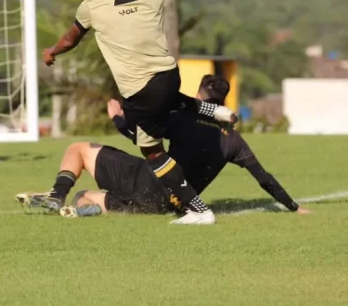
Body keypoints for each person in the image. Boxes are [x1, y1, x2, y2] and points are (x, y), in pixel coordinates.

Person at [41, 0, 275, 219]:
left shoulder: (92, 5)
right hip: (169, 77)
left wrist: (52, 51)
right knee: (166, 110)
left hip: (140, 92)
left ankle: (198, 210)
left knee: (152, 151)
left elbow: (71, 38)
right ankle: (213, 110)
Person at [108, 74, 306, 216]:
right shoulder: (233, 139)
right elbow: (264, 178)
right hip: (180, 205)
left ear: (199, 96)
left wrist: (117, 118)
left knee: (81, 154)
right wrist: (294, 207)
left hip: (150, 189)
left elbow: (141, 139)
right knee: (101, 200)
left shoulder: (183, 119)